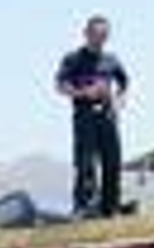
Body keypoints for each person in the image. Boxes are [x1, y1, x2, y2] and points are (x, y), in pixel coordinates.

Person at [55, 14, 129, 218]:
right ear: (86, 34)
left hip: (107, 115)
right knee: (85, 162)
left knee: (112, 162)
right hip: (84, 115)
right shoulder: (73, 59)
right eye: (96, 34)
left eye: (104, 34)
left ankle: (111, 208)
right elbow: (60, 85)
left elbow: (124, 83)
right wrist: (83, 93)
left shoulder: (111, 60)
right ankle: (84, 207)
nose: (100, 38)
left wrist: (119, 101)